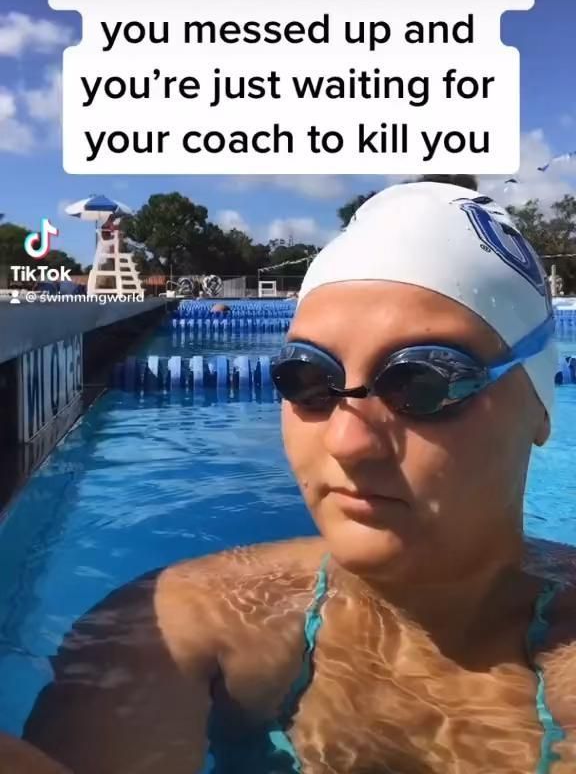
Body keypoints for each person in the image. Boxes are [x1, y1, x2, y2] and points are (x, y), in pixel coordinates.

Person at [23, 183, 576, 773]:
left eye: (425, 382)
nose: (347, 442)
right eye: (305, 380)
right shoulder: (190, 621)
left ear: (541, 408)